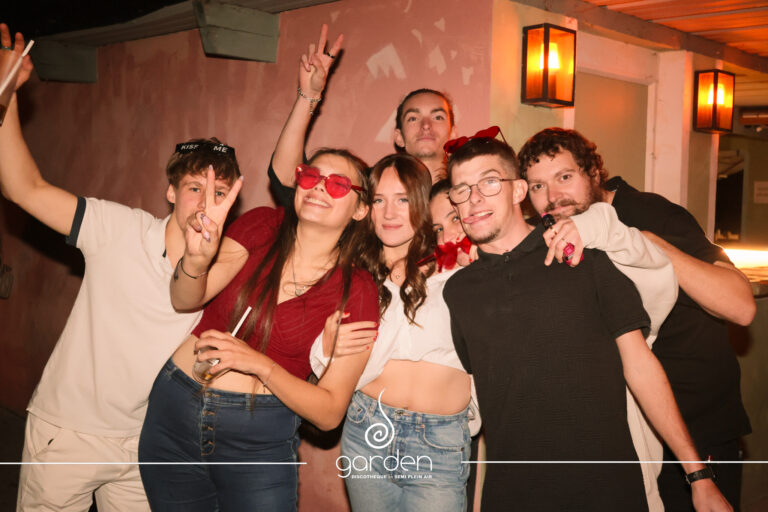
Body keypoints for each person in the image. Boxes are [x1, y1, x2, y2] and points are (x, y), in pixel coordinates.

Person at [0, 24, 244, 512]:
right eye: (195, 188)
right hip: (70, 433)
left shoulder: (228, 260)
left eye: (219, 193)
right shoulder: (116, 228)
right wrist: (4, 103)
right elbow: (24, 189)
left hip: (143, 440)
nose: (205, 203)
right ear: (170, 191)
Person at [137, 28, 379, 512]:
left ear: (359, 209)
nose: (319, 186)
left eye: (338, 184)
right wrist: (196, 261)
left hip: (257, 438)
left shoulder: (357, 290)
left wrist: (258, 363)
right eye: (311, 176)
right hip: (173, 409)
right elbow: (185, 299)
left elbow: (329, 412)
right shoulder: (262, 226)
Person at [441, 132, 732, 511]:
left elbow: (641, 367)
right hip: (514, 495)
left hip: (607, 492)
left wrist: (697, 475)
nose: (474, 198)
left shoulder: (582, 256)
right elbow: (472, 399)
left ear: (518, 191)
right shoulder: (458, 291)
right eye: (461, 189)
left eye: (489, 182)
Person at [518, 127, 756, 511]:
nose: (553, 197)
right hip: (625, 437)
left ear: (594, 173)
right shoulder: (550, 234)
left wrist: (649, 244)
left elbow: (741, 306)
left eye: (564, 177)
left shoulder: (649, 213)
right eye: (537, 186)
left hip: (697, 427)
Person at [310, 153, 474, 511]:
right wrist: (327, 345)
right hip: (365, 428)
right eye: (379, 200)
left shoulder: (456, 269)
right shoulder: (355, 273)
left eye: (402, 200)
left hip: (439, 439)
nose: (389, 213)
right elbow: (328, 364)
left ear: (422, 203)